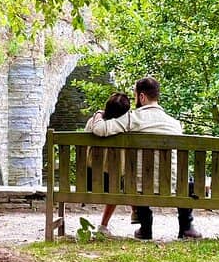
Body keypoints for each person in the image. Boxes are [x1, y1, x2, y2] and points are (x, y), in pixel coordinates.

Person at [87, 76, 202, 240]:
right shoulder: (175, 124)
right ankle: (187, 227)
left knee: (136, 177)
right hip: (173, 186)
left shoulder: (132, 118)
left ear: (141, 97)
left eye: (135, 96)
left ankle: (146, 228)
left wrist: (99, 113)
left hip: (139, 187)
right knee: (186, 178)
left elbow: (99, 129)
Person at [84, 91, 131, 236]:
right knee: (119, 180)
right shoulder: (126, 126)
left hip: (88, 180)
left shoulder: (93, 123)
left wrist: (98, 114)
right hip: (114, 184)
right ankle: (103, 225)